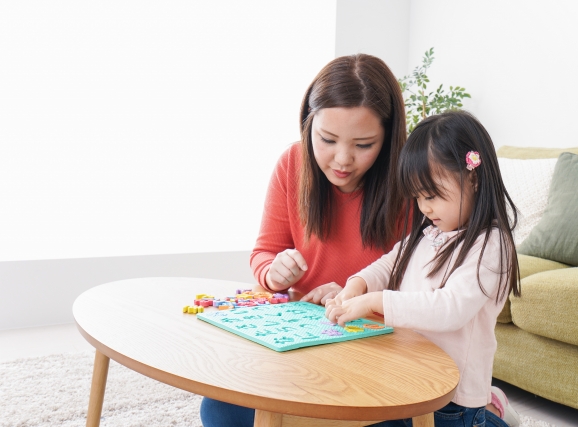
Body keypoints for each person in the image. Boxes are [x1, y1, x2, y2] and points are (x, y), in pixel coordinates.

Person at [200, 53, 408, 427]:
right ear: (308, 124)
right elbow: (264, 252)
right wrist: (273, 273)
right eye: (327, 139)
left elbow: (424, 286)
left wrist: (352, 293)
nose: (342, 160)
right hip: (305, 337)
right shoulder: (292, 164)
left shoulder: (409, 183)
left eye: (364, 145)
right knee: (219, 409)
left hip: (375, 344)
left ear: (389, 139)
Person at [325, 110, 522, 427]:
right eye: (417, 196)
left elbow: (450, 308)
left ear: (473, 178)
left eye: (431, 195)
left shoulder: (491, 245)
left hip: (452, 401)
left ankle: (491, 414)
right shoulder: (432, 232)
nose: (423, 207)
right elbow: (389, 262)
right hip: (408, 383)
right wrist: (358, 285)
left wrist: (376, 301)